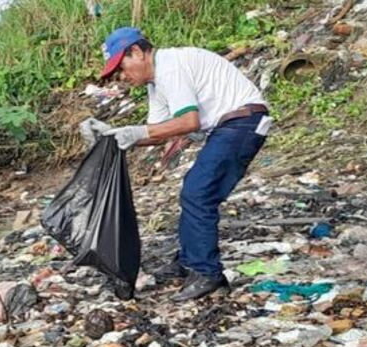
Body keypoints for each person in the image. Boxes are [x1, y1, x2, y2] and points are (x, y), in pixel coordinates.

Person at [80, 27, 272, 301]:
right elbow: (157, 132)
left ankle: (207, 273)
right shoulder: (156, 83)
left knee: (197, 193)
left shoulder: (170, 66)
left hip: (243, 122)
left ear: (136, 52)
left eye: (122, 68)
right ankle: (188, 261)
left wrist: (136, 134)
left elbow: (188, 122)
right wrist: (112, 134)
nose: (123, 77)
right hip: (231, 125)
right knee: (194, 190)